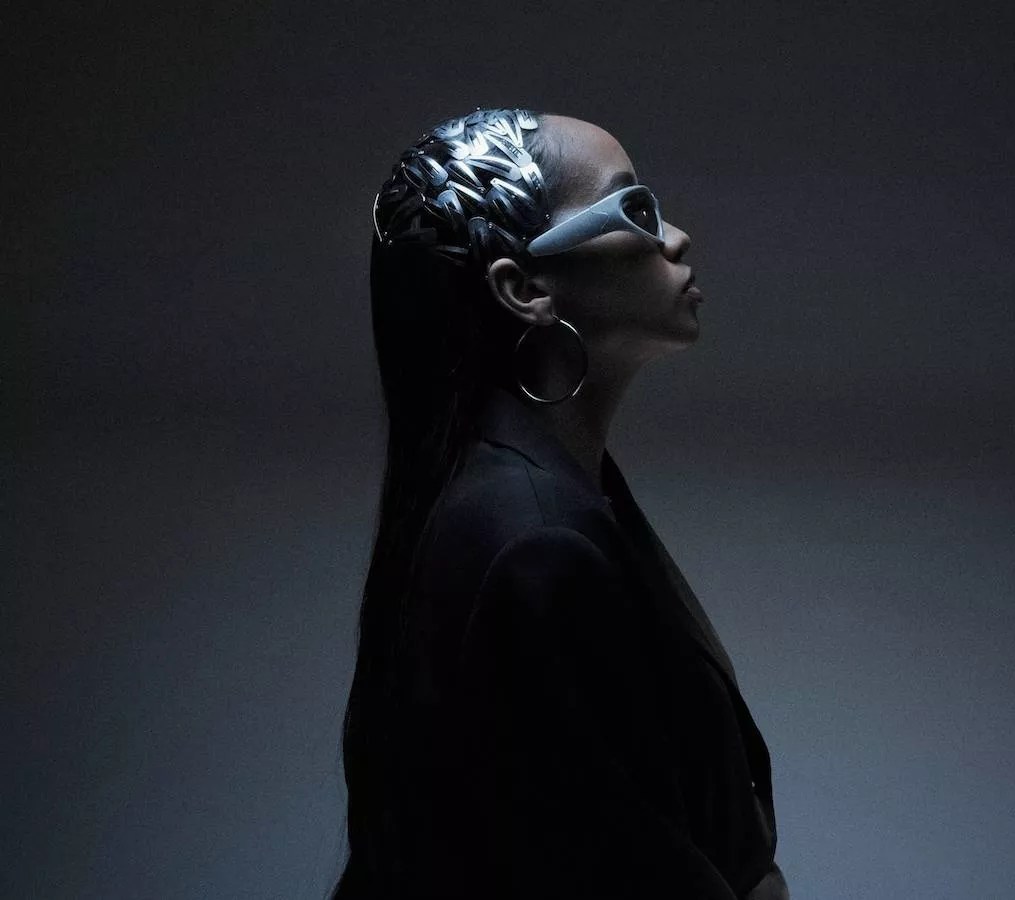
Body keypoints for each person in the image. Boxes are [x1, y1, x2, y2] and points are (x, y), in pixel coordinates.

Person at [332, 107, 789, 900]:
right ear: (525, 289)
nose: (676, 238)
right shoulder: (533, 543)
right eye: (634, 209)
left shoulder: (540, 502)